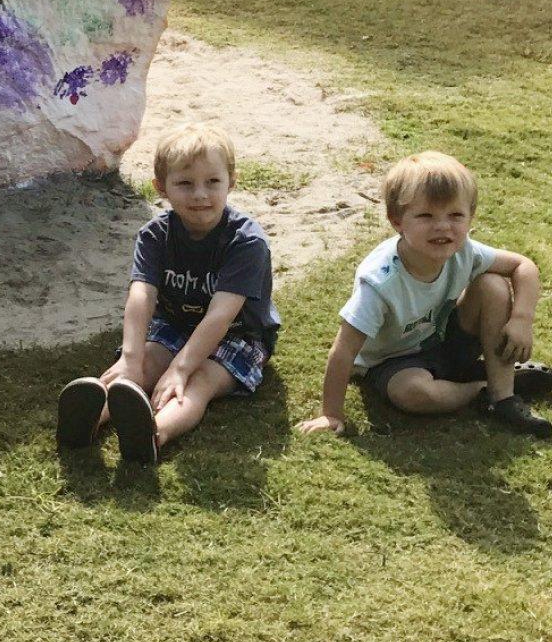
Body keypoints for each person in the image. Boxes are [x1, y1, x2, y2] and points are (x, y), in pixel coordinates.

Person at [56, 123, 279, 464]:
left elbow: (221, 315)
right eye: (185, 184)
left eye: (212, 182)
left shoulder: (246, 243)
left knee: (198, 380)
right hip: (175, 324)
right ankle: (88, 417)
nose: (200, 195)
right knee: (140, 366)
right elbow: (140, 297)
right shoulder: (154, 235)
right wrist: (129, 358)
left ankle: (152, 435)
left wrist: (181, 367)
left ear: (231, 182)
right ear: (161, 187)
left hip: (238, 335)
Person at [299, 151, 551, 438]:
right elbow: (343, 349)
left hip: (445, 341)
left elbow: (524, 266)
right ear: (397, 221)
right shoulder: (380, 282)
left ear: (471, 217)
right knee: (412, 393)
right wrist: (331, 414)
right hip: (395, 361)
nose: (442, 226)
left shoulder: (465, 250)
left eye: (455, 215)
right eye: (426, 215)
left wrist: (521, 318)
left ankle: (504, 399)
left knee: (493, 284)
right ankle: (484, 389)